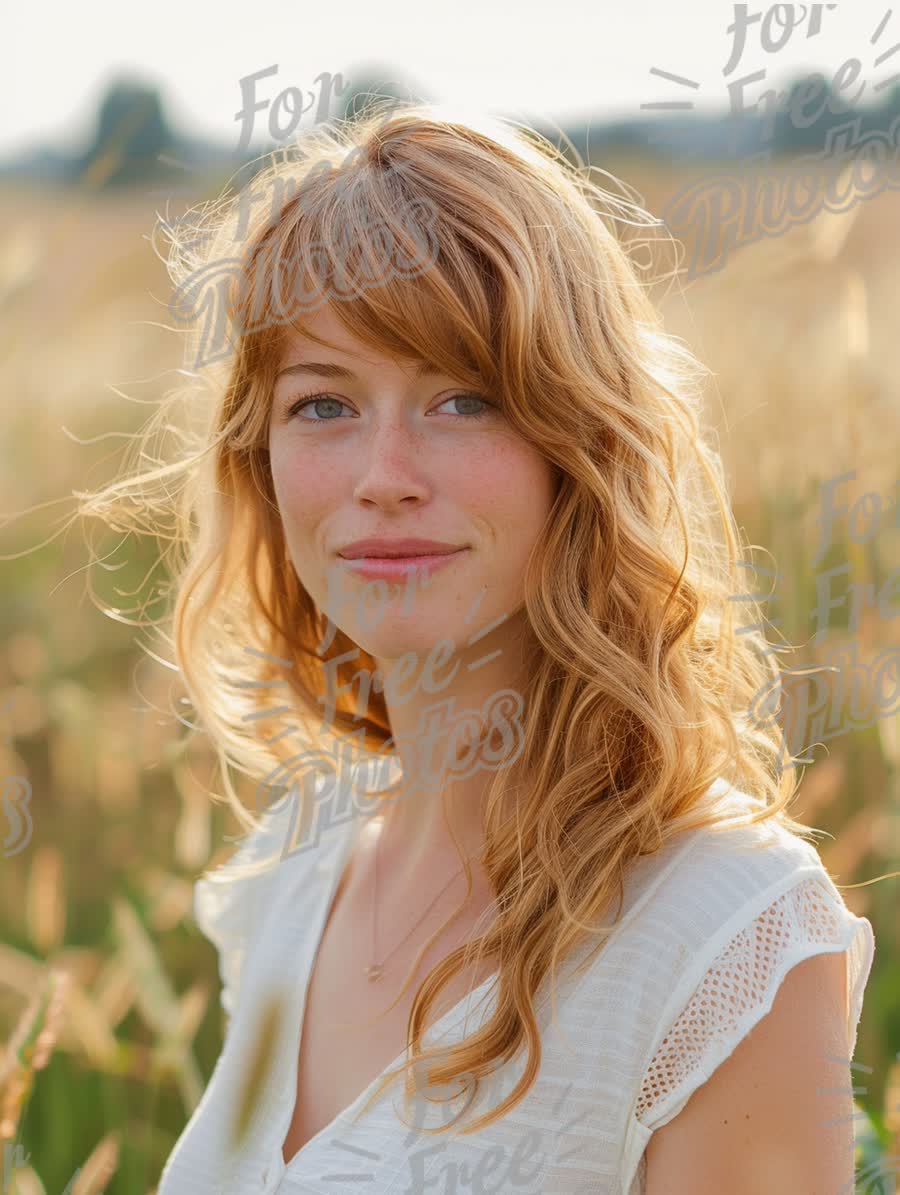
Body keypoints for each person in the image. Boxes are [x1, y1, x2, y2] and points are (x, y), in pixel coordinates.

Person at [81, 101, 877, 1193]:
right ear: (256, 460)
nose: (384, 472)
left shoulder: (729, 935)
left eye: (463, 399)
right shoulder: (286, 878)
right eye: (323, 405)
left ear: (581, 444)